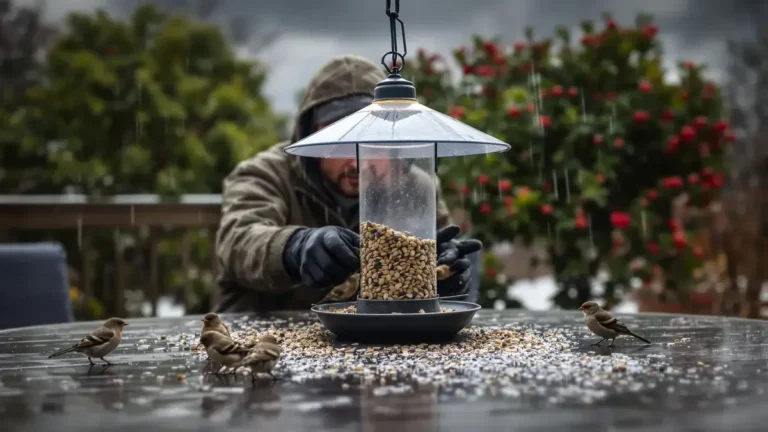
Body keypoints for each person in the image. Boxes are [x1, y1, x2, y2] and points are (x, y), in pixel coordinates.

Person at [214, 55, 480, 312]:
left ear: (393, 141)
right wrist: (294, 247)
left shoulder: (417, 185)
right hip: (256, 339)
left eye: (372, 145)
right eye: (340, 145)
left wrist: (446, 275)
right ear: (310, 138)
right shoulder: (265, 173)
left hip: (374, 341)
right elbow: (238, 241)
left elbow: (444, 259)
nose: (356, 163)